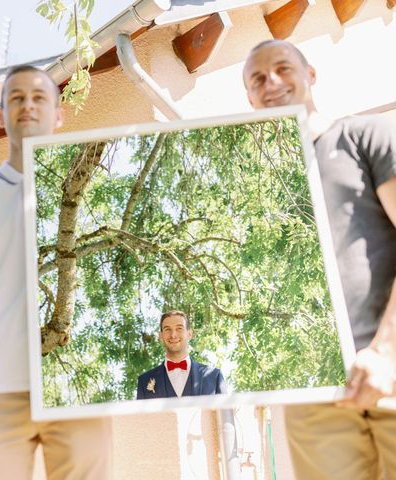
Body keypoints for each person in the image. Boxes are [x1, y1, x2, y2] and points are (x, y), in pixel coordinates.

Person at [0, 65, 112, 480]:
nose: (27, 105)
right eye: (15, 98)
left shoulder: (93, 190)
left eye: (39, 97)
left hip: (78, 390)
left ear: (59, 113)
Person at [243, 39, 396, 479]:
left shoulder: (364, 136)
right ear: (249, 98)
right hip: (312, 396)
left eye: (283, 69)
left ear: (310, 75)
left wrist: (385, 352)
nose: (270, 82)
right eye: (256, 79)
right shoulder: (258, 182)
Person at [136, 310, 226, 399]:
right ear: (161, 336)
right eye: (167, 329)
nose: (173, 335)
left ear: (189, 334)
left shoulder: (214, 377)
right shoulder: (144, 381)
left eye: (179, 328)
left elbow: (225, 413)